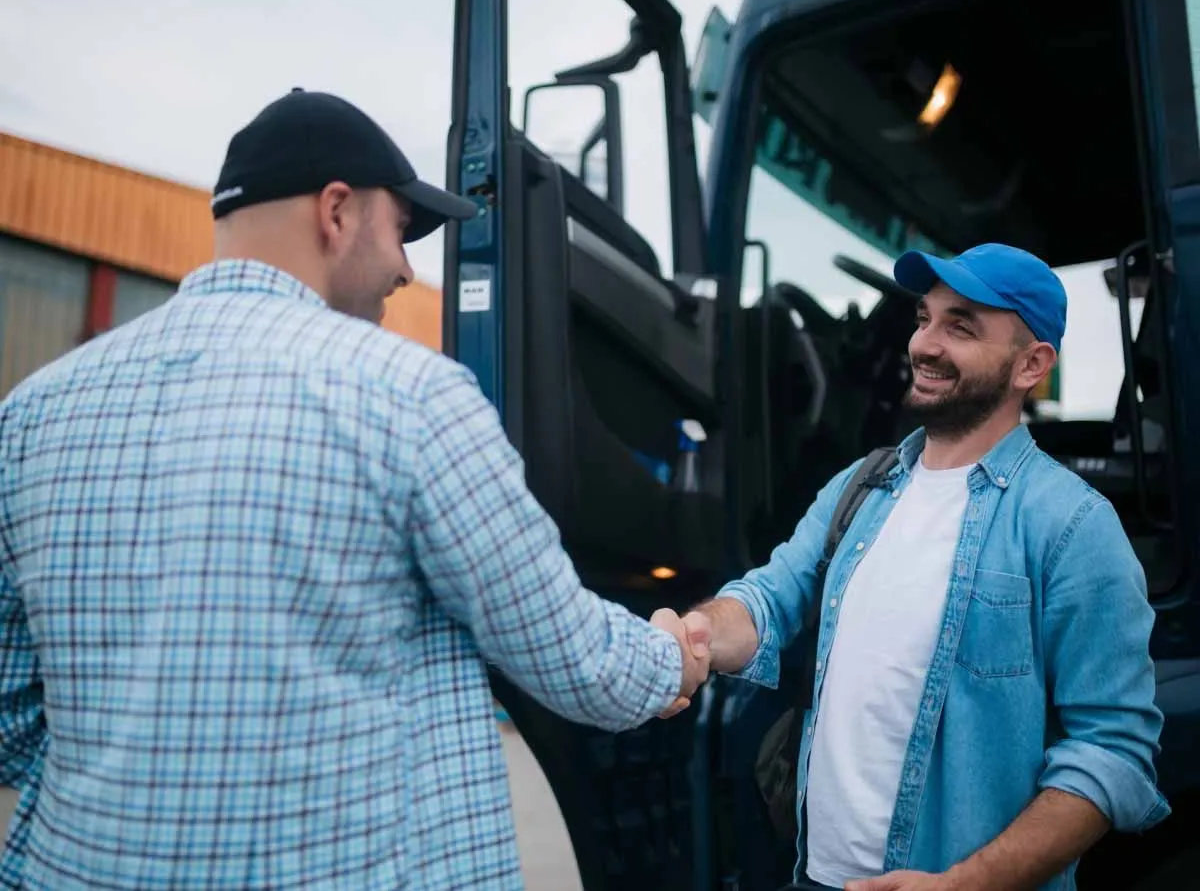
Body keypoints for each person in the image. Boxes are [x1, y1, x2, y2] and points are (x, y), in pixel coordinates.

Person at [0, 88, 709, 889]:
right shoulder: (409, 394)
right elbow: (571, 659)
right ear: (336, 211)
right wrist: (676, 657)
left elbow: (9, 715)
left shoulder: (31, 414)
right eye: (403, 232)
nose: (407, 268)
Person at [663, 243, 1169, 891]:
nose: (924, 345)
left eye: (961, 326)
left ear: (1031, 365)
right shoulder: (861, 485)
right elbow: (770, 596)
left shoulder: (1073, 527)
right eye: (924, 318)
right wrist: (692, 637)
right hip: (816, 878)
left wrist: (966, 883)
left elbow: (1114, 753)